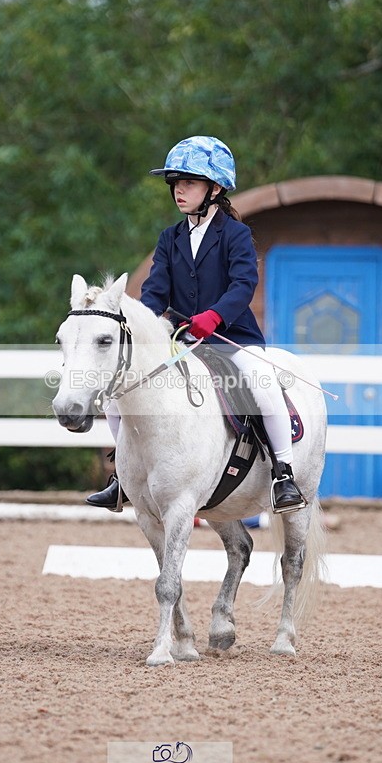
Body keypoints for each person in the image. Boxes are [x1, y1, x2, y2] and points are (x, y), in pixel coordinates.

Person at [86, 135, 305, 513]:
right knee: (118, 396)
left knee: (262, 384)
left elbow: (242, 286)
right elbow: (154, 292)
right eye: (175, 183)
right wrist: (148, 326)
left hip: (231, 337)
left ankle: (283, 473)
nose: (178, 190)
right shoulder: (169, 238)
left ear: (215, 188)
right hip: (180, 340)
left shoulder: (234, 235)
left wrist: (213, 316)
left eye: (188, 182)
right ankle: (124, 477)